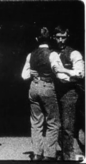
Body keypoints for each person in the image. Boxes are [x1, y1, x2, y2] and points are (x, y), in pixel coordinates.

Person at [21, 27, 71, 161]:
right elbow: (60, 74)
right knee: (53, 122)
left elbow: (24, 75)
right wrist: (70, 76)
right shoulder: (53, 54)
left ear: (37, 39)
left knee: (36, 122)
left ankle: (37, 154)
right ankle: (49, 155)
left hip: (33, 87)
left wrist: (32, 72)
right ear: (50, 39)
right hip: (47, 86)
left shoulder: (30, 55)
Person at [52, 25, 85, 160]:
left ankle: (68, 155)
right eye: (58, 37)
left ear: (67, 37)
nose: (61, 40)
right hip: (54, 91)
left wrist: (64, 70)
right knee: (56, 124)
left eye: (63, 37)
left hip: (70, 92)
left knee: (67, 125)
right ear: (54, 38)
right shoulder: (52, 53)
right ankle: (63, 152)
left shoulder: (74, 53)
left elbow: (80, 73)